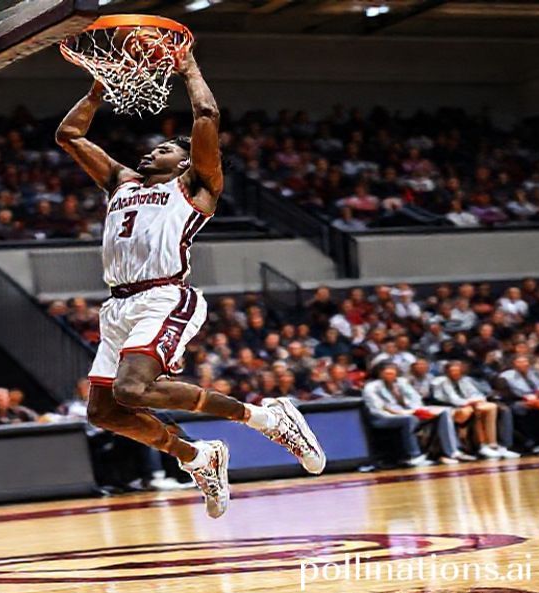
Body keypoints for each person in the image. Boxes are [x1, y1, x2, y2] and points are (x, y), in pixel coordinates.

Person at [56, 47, 324, 518]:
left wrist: (188, 68)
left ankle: (265, 417)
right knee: (104, 412)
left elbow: (207, 112)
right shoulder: (120, 181)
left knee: (133, 391)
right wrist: (98, 89)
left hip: (164, 295)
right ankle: (200, 456)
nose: (149, 151)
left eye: (163, 149)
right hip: (117, 305)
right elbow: (69, 134)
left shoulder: (194, 187)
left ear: (183, 162)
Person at [363, 364, 472, 466]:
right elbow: (377, 409)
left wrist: (416, 410)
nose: (391, 376)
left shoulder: (401, 382)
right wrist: (404, 413)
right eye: (388, 373)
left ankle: (452, 451)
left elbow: (416, 398)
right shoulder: (371, 387)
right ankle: (414, 456)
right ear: (381, 374)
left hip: (409, 412)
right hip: (383, 418)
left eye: (393, 373)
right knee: (409, 419)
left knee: (444, 411)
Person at [432, 361, 518, 459]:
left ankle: (492, 444)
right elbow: (452, 398)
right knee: (477, 410)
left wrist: (477, 399)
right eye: (453, 371)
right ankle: (482, 445)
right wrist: (468, 402)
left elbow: (475, 393)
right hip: (452, 407)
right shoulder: (442, 382)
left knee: (492, 407)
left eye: (457, 370)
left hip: (468, 404)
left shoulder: (464, 380)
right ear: (447, 372)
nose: (455, 373)